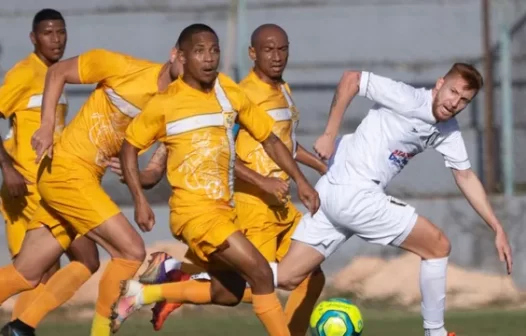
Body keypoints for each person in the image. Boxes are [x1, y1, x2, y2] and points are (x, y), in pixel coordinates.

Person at [272, 64, 513, 336]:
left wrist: (497, 227)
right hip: (356, 192)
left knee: (286, 277)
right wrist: (329, 134)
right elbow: (352, 79)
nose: (454, 102)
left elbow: (466, 176)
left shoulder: (448, 130)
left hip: (333, 193)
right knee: (438, 246)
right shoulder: (408, 97)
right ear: (439, 84)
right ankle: (435, 332)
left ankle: (218, 276)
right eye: (452, 91)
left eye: (463, 100)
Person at [112, 23, 319, 336]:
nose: (208, 58)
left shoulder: (228, 92)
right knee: (263, 275)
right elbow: (130, 148)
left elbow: (272, 140)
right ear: (181, 57)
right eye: (199, 51)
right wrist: (139, 199)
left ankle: (147, 289)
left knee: (230, 293)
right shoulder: (166, 103)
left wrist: (301, 180)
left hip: (227, 210)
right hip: (195, 212)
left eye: (214, 50)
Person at [0, 42, 182, 335]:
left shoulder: (175, 107)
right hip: (67, 172)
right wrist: (46, 125)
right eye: (195, 54)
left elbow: (154, 169)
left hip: (74, 178)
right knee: (131, 251)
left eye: (212, 55)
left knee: (27, 274)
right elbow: (58, 72)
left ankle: (20, 328)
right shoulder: (122, 67)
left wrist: (142, 184)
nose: (204, 63)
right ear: (175, 53)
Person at [0, 9, 100, 336]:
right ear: (34, 38)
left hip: (54, 187)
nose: (56, 39)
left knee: (81, 262)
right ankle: (19, 329)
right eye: (47, 33)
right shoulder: (23, 74)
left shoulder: (59, 73)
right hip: (25, 190)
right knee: (34, 274)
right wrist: (7, 169)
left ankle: (18, 328)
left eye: (61, 32)